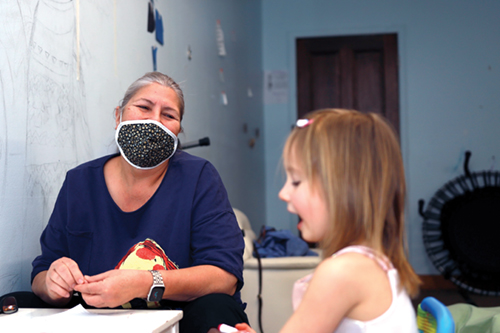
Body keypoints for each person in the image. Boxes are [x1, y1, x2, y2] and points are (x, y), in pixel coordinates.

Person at [28, 72, 248, 333]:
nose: (154, 121)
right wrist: (53, 283)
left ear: (178, 130)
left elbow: (224, 277)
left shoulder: (199, 178)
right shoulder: (80, 182)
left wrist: (145, 283)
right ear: (118, 116)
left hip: (182, 317)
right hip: (99, 319)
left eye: (168, 115)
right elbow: (42, 270)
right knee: (19, 303)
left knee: (215, 309)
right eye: (144, 107)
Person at [235, 109, 421, 333]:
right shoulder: (374, 262)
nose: (283, 193)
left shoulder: (341, 272)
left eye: (295, 181)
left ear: (342, 190)